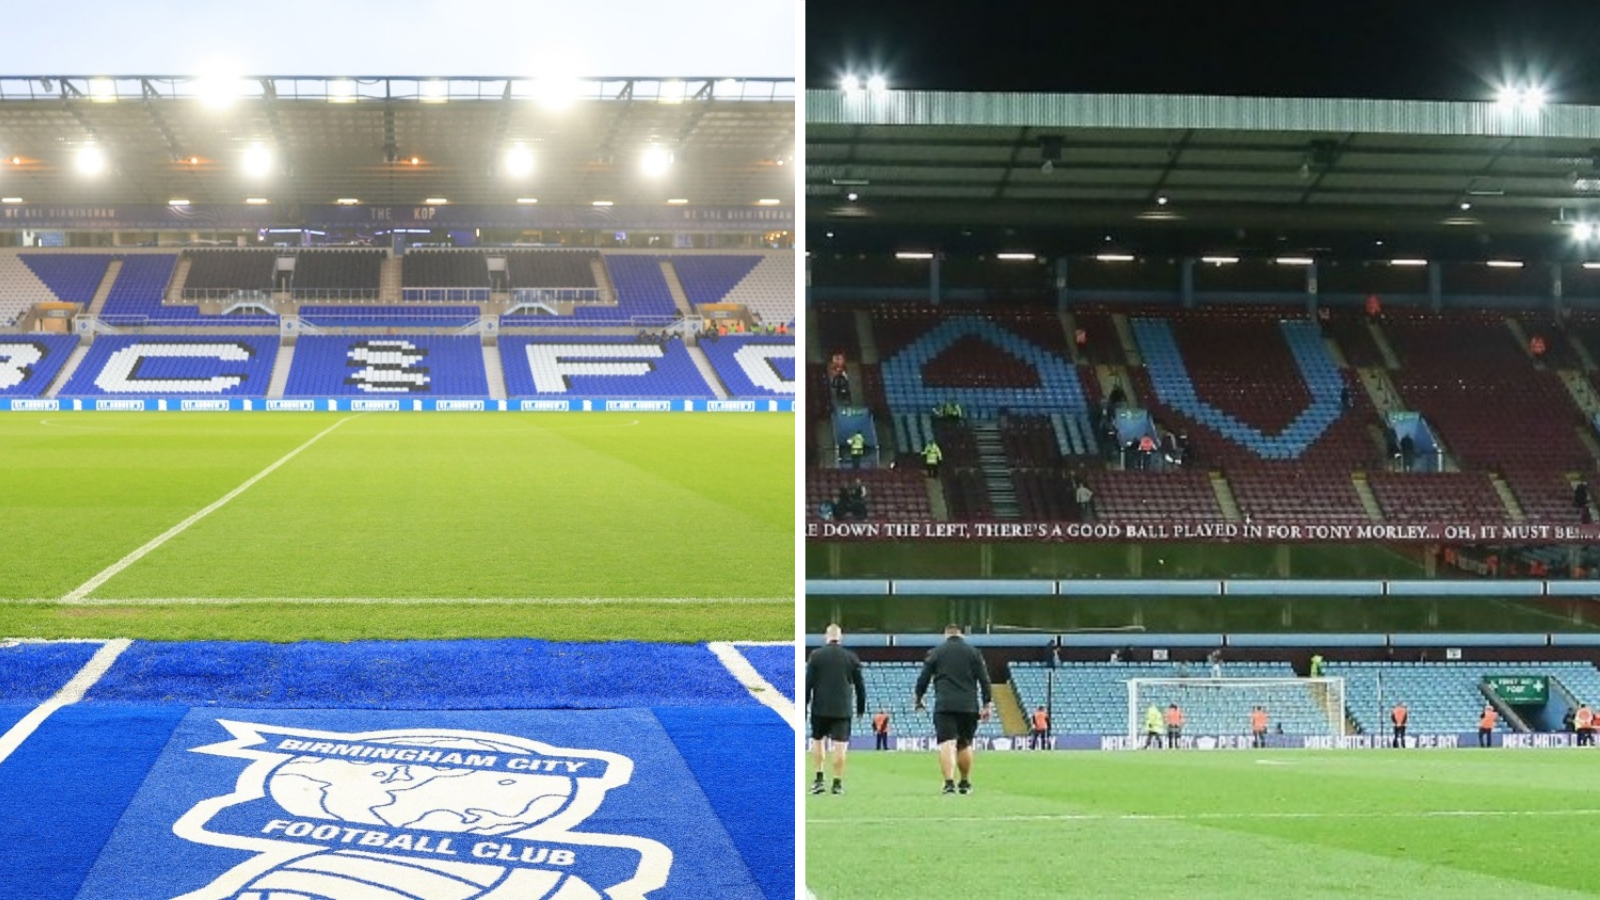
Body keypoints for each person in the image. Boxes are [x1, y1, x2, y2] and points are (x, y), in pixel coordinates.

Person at [913, 624, 994, 795]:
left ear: (945, 635)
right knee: (964, 743)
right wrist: (987, 703)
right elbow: (984, 679)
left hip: (945, 704)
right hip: (968, 705)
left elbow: (923, 678)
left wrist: (919, 698)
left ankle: (949, 783)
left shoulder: (936, 652)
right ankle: (964, 782)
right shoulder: (974, 652)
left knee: (947, 743)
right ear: (961, 635)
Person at [805, 624, 866, 796]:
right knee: (840, 746)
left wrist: (804, 707)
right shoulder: (850, 657)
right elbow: (860, 686)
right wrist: (860, 708)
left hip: (820, 707)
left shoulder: (816, 656)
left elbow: (808, 684)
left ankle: (818, 779)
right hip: (842, 709)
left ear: (826, 637)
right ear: (841, 637)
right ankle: (837, 783)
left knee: (818, 742)